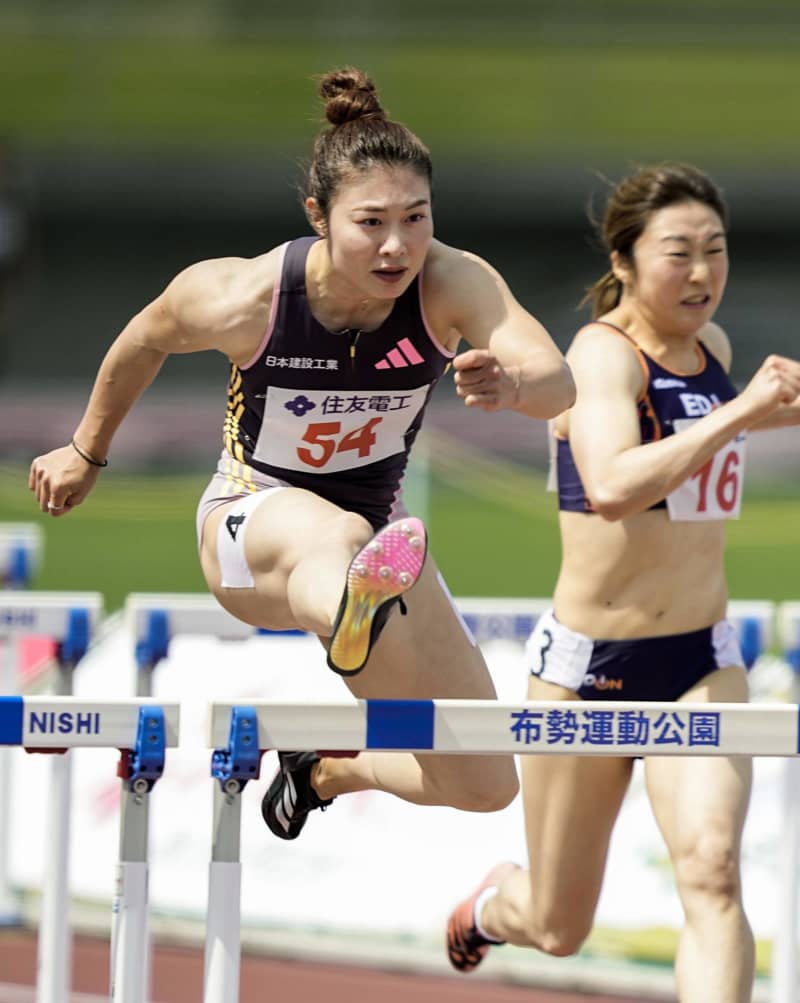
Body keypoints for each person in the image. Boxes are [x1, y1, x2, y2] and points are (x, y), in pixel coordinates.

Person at [28, 67, 575, 839]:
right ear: (317, 215)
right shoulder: (246, 296)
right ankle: (351, 608)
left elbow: (559, 381)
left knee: (483, 780)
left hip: (384, 548)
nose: (397, 247)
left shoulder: (453, 282)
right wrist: (88, 449)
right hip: (251, 527)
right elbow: (143, 338)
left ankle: (321, 768)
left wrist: (511, 382)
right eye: (371, 223)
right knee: (343, 540)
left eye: (416, 219)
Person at [446, 162, 800, 1003]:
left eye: (717, 251)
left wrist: (770, 403)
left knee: (713, 873)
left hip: (701, 663)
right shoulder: (602, 357)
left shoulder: (708, 349)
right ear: (626, 261)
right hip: (587, 671)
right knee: (559, 926)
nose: (704, 273)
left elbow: (711, 428)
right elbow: (610, 487)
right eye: (679, 253)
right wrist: (743, 413)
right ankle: (500, 903)